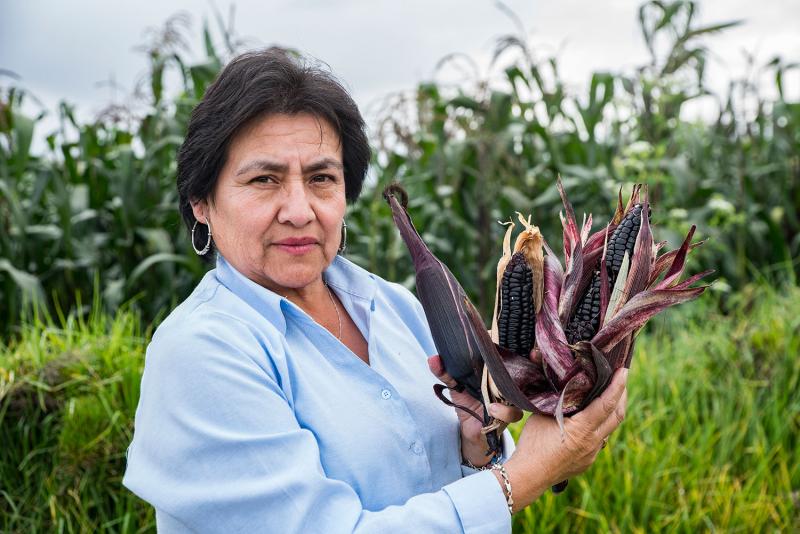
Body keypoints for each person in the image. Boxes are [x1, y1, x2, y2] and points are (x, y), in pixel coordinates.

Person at [122, 47, 627, 533]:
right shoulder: (200, 353)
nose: (300, 210)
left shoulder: (395, 307)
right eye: (264, 180)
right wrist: (530, 473)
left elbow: (470, 491)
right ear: (202, 202)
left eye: (321, 178)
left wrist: (477, 448)